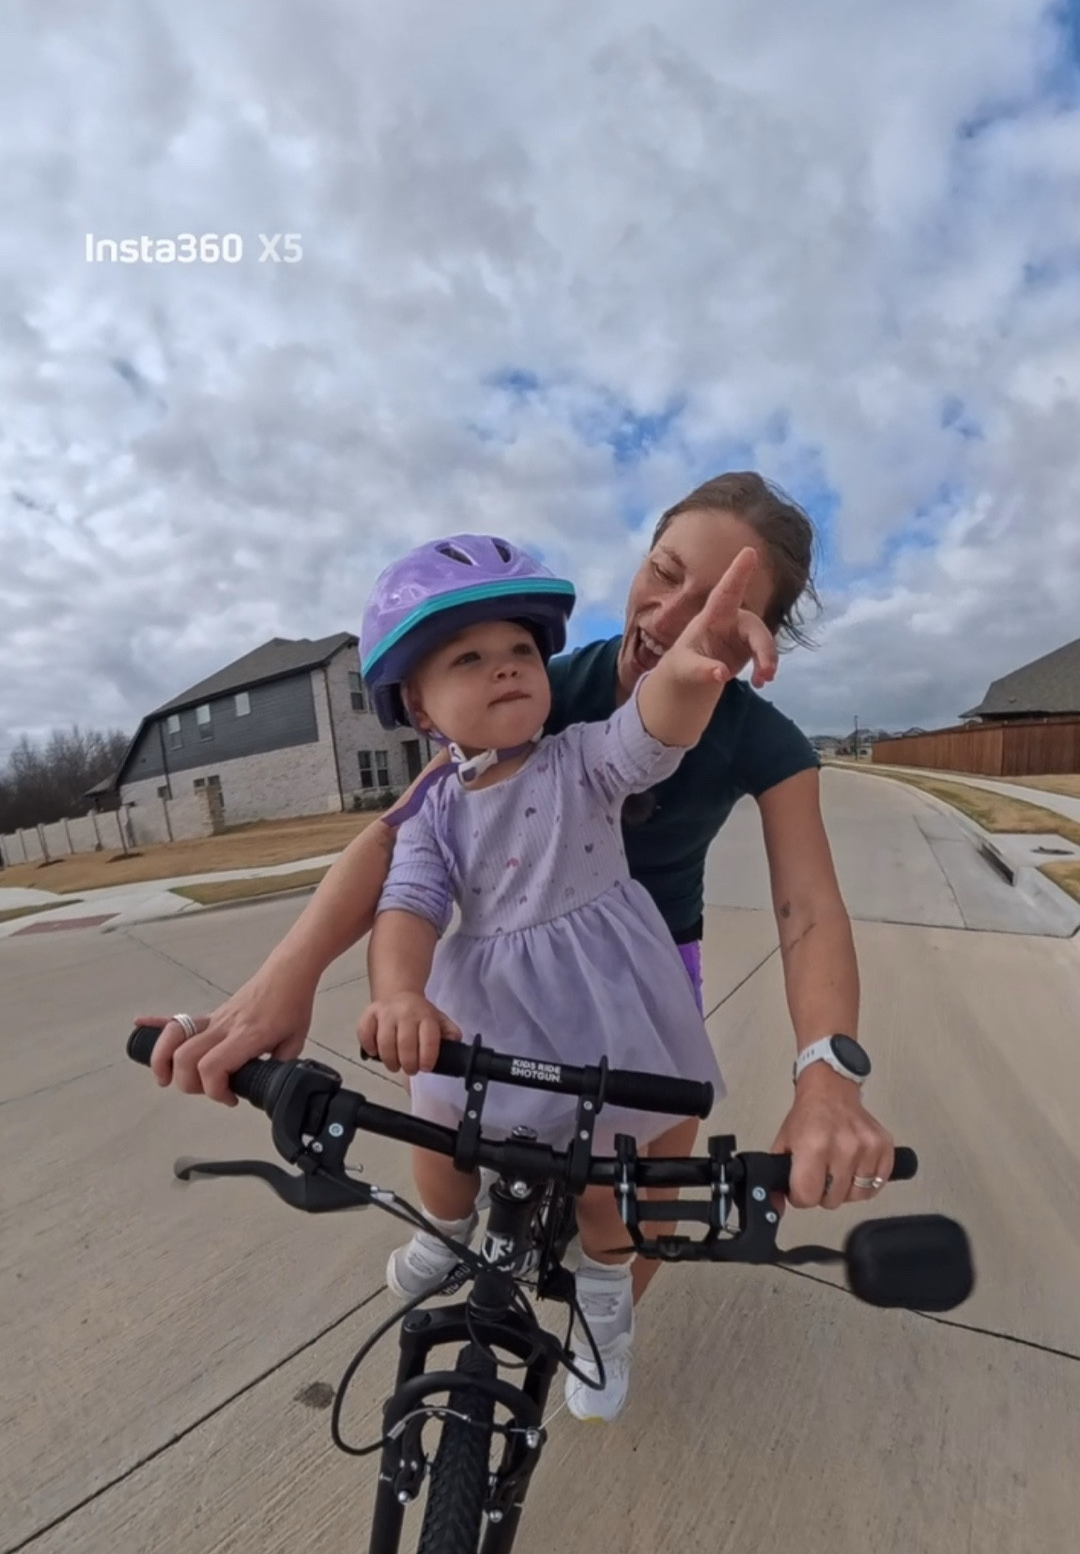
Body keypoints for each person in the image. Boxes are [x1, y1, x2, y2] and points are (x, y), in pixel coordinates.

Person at [139, 472, 895, 1270]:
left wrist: (828, 1076)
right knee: (448, 1131)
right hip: (505, 967)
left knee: (644, 1202)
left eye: (718, 605)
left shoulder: (762, 740)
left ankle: (609, 1322)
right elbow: (400, 839)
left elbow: (807, 907)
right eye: (665, 573)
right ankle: (448, 1236)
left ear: (758, 635)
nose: (673, 618)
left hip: (646, 974)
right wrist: (281, 982)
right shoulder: (531, 685)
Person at [352, 533, 769, 1420]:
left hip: (605, 1003)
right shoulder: (430, 814)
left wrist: (690, 673)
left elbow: (650, 734)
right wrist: (398, 992)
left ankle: (605, 1303)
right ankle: (447, 1231)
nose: (505, 669)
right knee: (439, 1129)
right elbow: (409, 909)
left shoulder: (580, 757)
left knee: (604, 1179)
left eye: (518, 652)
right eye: (469, 658)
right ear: (420, 707)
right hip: (489, 1006)